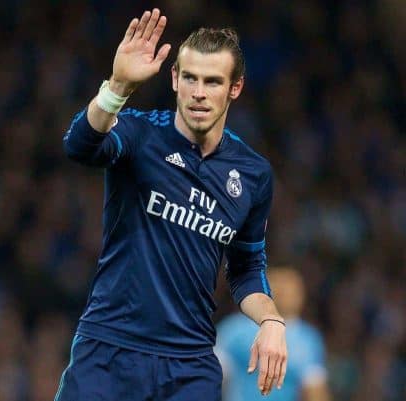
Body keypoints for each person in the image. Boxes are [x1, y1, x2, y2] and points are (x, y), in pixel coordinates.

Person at [55, 8, 287, 401]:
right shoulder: (140, 133)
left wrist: (271, 321)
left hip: (189, 366)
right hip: (111, 350)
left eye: (213, 81)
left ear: (235, 88)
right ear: (175, 79)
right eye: (191, 78)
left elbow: (246, 268)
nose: (199, 92)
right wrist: (116, 87)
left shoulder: (253, 174)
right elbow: (79, 146)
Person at [215, 267, 330, 401]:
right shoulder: (234, 328)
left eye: (289, 287)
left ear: (301, 295)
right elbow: (209, 375)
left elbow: (314, 389)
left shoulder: (309, 339)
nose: (283, 292)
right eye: (278, 284)